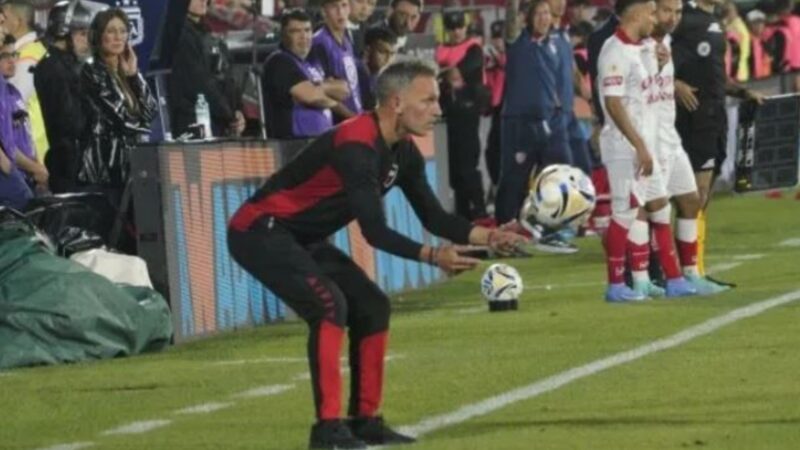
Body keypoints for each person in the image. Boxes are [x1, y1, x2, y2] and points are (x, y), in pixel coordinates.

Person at [227, 59, 526, 450]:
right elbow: (373, 231)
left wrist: (488, 237)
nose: (438, 109)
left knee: (372, 305)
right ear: (397, 103)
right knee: (329, 305)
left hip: (298, 235)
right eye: (429, 100)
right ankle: (328, 430)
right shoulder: (356, 144)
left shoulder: (403, 152)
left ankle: (365, 420)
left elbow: (434, 217)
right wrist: (433, 256)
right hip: (258, 230)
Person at [635, 0, 725, 296]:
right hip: (649, 140)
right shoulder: (636, 48)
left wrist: (674, 82)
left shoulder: (667, 45)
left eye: (677, 12)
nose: (672, 17)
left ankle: (689, 274)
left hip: (670, 139)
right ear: (651, 12)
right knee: (645, 211)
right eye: (666, 11)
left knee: (690, 202)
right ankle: (644, 278)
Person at [671, 0, 763, 280]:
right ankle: (683, 270)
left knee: (703, 196)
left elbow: (716, 75)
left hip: (715, 117)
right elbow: (651, 56)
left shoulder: (715, 22)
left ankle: (695, 267)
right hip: (692, 119)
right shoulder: (682, 19)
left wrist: (743, 92)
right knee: (692, 196)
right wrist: (674, 84)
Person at [495, 0, 569, 235]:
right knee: (514, 181)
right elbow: (511, 22)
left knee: (554, 177)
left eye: (546, 13)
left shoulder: (555, 43)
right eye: (538, 13)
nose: (543, 18)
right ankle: (504, 231)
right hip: (518, 123)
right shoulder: (518, 41)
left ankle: (550, 228)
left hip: (549, 122)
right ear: (527, 17)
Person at [79, 8, 156, 195]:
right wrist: (144, 127)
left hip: (131, 165)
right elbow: (121, 119)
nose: (118, 37)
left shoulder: (125, 72)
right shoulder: (92, 72)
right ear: (98, 36)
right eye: (111, 31)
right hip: (106, 168)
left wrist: (133, 76)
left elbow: (150, 111)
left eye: (122, 31)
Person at [35, 0, 99, 193]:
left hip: (74, 163)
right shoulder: (54, 69)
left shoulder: (69, 66)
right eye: (82, 33)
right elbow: (70, 123)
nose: (87, 40)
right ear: (64, 33)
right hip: (67, 167)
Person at [436, 10, 488, 220]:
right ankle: (463, 214)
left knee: (468, 166)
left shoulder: (473, 47)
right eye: (452, 28)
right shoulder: (440, 49)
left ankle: (480, 211)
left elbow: (456, 72)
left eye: (459, 27)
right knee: (453, 171)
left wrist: (445, 73)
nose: (457, 32)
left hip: (467, 111)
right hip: (446, 114)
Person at [262, 9, 346, 138]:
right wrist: (330, 96)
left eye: (307, 30)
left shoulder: (314, 62)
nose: (304, 36)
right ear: (283, 34)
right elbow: (311, 97)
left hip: (319, 141)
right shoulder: (279, 61)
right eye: (295, 31)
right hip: (294, 144)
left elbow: (344, 90)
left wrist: (319, 86)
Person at [169, 0, 245, 138]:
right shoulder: (179, 34)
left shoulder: (208, 34)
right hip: (194, 123)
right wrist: (229, 115)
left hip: (219, 121)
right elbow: (199, 83)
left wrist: (237, 110)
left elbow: (228, 76)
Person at [2, 1, 48, 163]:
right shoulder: (35, 50)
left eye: (4, 18)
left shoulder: (25, 58)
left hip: (31, 153)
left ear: (18, 21)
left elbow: (13, 108)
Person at [312, 0, 364, 122]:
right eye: (334, 7)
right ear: (324, 11)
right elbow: (321, 91)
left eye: (344, 5)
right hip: (338, 122)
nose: (340, 12)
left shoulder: (346, 38)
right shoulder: (320, 42)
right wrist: (351, 117)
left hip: (355, 115)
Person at [483, 19, 506, 201]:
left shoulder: (514, 55)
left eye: (501, 37)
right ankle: (497, 186)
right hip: (498, 110)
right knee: (492, 152)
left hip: (514, 111)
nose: (498, 42)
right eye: (496, 37)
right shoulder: (489, 58)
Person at [358, 26, 397, 111]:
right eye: (383, 52)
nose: (388, 58)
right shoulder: (354, 71)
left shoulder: (379, 77)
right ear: (368, 50)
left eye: (392, 54)